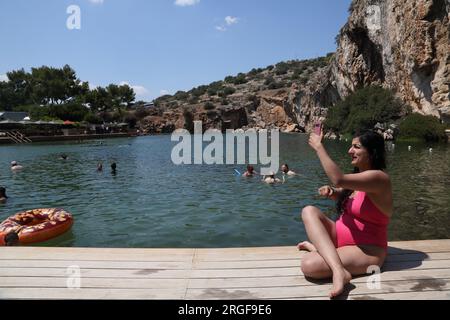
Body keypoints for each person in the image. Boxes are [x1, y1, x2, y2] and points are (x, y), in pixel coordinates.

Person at [298, 130, 392, 298]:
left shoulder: (379, 179)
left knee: (309, 265)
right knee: (309, 211)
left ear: (372, 152)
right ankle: (330, 258)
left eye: (356, 147)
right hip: (341, 240)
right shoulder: (357, 178)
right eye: (351, 146)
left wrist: (319, 147)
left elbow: (338, 178)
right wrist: (333, 192)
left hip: (367, 250)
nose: (350, 151)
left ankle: (338, 271)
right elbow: (346, 195)